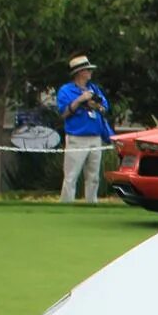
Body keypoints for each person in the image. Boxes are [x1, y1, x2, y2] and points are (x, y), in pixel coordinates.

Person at [55, 55, 112, 204]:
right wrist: (80, 100)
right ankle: (66, 204)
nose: (90, 72)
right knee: (71, 176)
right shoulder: (66, 90)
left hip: (95, 137)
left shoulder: (94, 89)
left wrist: (96, 105)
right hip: (77, 138)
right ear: (79, 72)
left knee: (93, 176)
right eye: (87, 70)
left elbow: (105, 108)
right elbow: (64, 113)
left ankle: (92, 204)